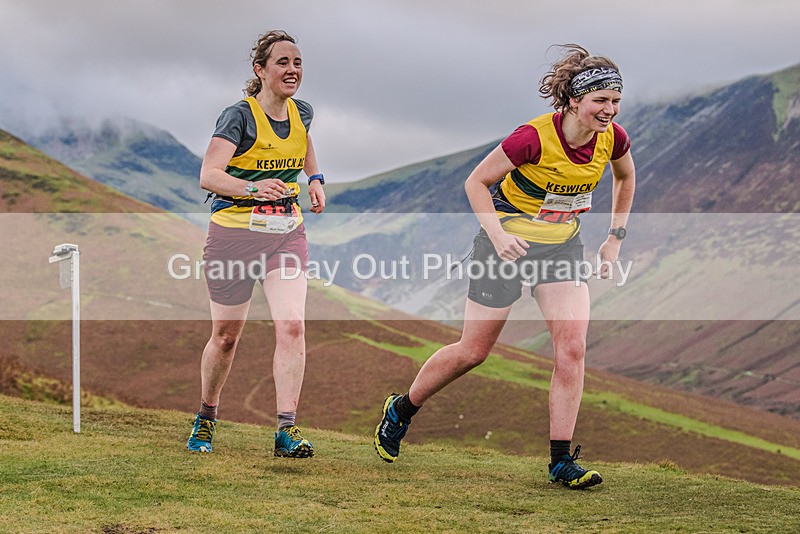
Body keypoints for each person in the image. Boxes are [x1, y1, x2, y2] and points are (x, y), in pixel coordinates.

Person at [374, 44, 635, 489]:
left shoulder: (614, 138)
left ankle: (560, 462)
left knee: (572, 348)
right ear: (575, 100)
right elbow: (476, 181)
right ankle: (401, 409)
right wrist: (497, 236)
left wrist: (614, 238)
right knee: (473, 351)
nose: (609, 110)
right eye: (600, 100)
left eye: (615, 101)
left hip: (561, 250)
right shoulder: (532, 137)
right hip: (505, 249)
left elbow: (625, 176)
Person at [187, 30, 326, 458]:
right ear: (260, 70)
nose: (292, 70)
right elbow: (209, 175)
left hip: (286, 234)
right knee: (226, 337)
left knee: (293, 325)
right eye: (282, 62)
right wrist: (253, 189)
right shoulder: (239, 116)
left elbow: (302, 140)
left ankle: (286, 429)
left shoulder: (303, 111)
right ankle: (206, 416)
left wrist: (315, 178)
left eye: (297, 62)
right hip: (233, 237)